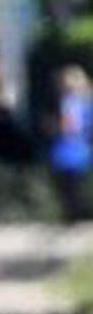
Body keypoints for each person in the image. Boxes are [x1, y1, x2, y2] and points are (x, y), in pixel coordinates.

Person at [50, 65, 93, 223]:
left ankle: (78, 216)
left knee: (77, 187)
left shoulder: (85, 104)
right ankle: (71, 216)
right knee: (66, 187)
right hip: (63, 152)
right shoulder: (61, 103)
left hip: (80, 151)